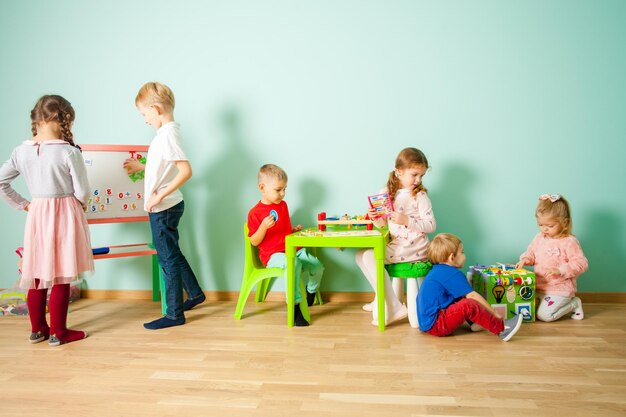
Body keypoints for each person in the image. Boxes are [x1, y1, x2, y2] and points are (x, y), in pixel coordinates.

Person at [0, 95, 94, 346]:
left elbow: (1, 181)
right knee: (62, 272)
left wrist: (24, 204)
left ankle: (38, 329)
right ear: (65, 120)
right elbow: (83, 191)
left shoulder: (21, 151)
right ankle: (59, 332)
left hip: (37, 213)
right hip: (65, 211)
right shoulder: (68, 152)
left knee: (37, 272)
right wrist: (81, 204)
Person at [123, 82, 205, 330]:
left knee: (167, 259)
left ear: (156, 108)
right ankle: (194, 294)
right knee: (173, 254)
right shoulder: (165, 134)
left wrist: (158, 197)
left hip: (164, 208)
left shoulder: (168, 135)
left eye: (144, 114)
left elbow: (185, 171)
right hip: (168, 206)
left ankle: (174, 314)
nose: (144, 120)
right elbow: (163, 165)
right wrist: (142, 167)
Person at [356, 147, 435, 326]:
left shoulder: (419, 196)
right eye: (414, 175)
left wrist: (406, 220)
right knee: (360, 255)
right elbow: (383, 226)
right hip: (397, 244)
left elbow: (431, 225)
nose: (418, 180)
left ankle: (393, 305)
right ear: (399, 171)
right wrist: (375, 218)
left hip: (414, 247)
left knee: (369, 256)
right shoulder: (385, 192)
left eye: (421, 176)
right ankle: (384, 299)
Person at [247, 164, 324, 326]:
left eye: (285, 189)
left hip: (291, 249)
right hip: (272, 255)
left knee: (317, 266)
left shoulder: (283, 205)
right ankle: (295, 308)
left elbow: (283, 229)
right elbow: (254, 241)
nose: (283, 193)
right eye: (278, 190)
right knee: (293, 263)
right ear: (262, 188)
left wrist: (292, 229)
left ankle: (310, 294)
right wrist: (262, 227)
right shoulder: (255, 213)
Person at [417, 233, 523, 341]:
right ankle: (502, 329)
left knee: (461, 294)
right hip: (436, 325)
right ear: (452, 257)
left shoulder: (437, 271)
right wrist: (495, 313)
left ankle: (475, 323)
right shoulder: (452, 274)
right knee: (468, 304)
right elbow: (472, 296)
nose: (464, 255)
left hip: (426, 323)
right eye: (462, 252)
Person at [515, 194, 588, 322]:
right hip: (539, 287)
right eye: (540, 224)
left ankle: (574, 304)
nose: (544, 229)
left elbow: (581, 263)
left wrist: (561, 270)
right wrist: (525, 259)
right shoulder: (540, 237)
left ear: (564, 223)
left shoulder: (569, 242)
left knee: (544, 316)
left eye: (550, 226)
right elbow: (531, 252)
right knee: (522, 309)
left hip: (559, 290)